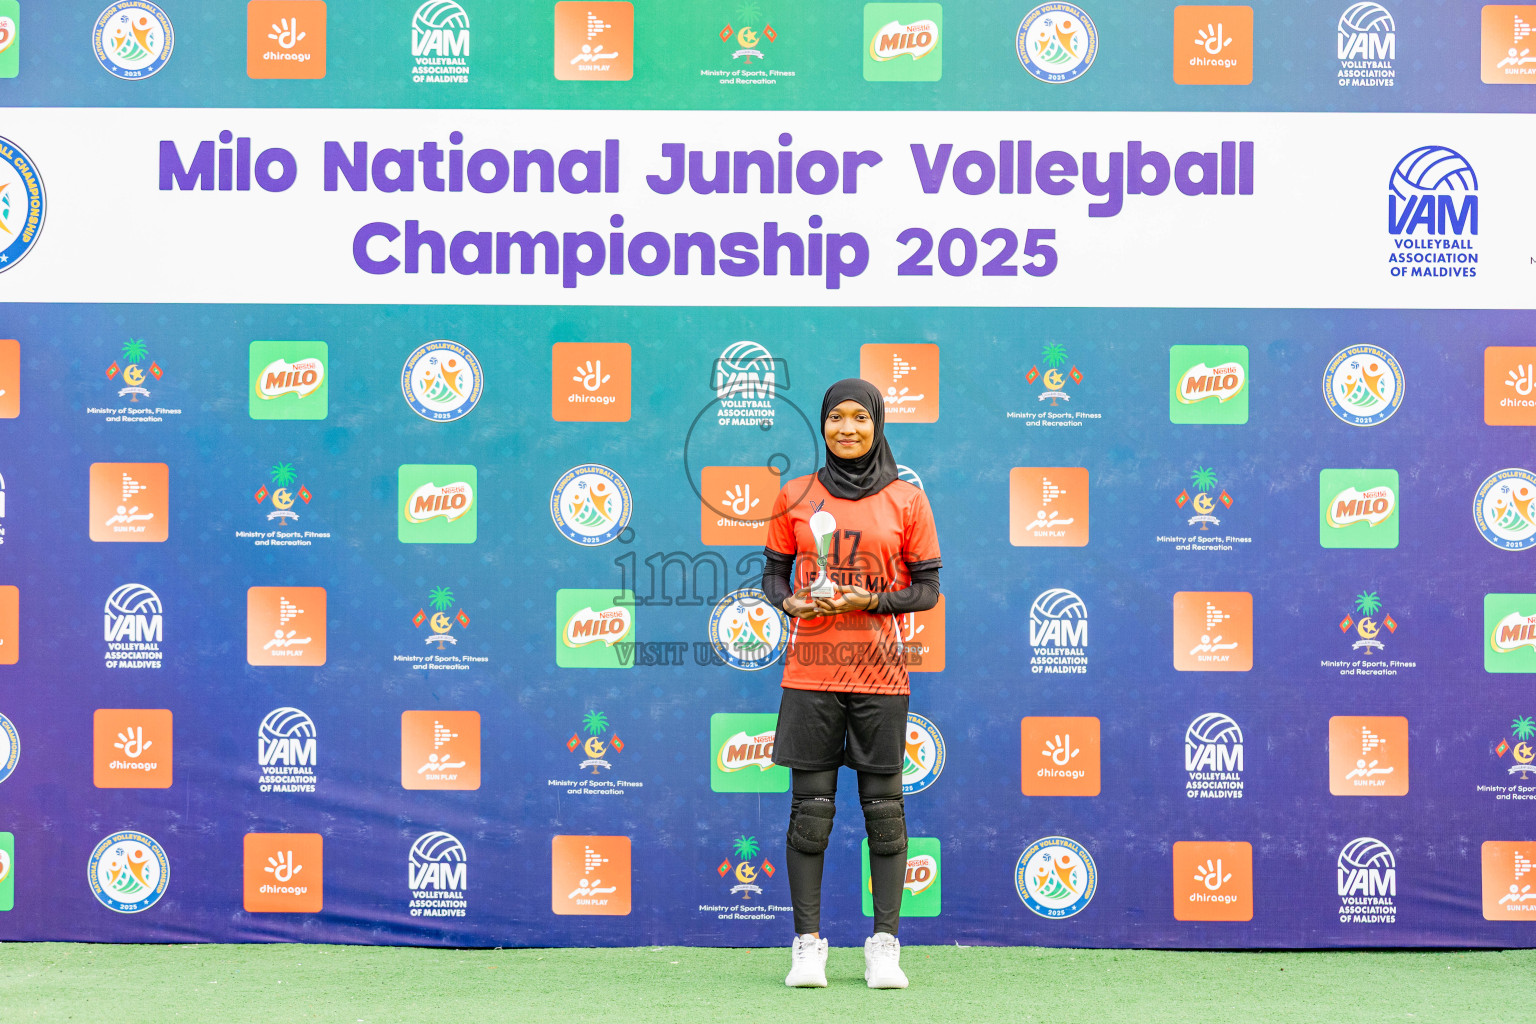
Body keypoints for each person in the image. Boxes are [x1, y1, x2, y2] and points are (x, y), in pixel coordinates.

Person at [759, 378, 942, 990]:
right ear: (823, 425)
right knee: (810, 815)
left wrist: (875, 599)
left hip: (881, 676)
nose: (847, 428)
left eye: (859, 418)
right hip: (810, 675)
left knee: (884, 815)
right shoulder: (796, 495)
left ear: (877, 424)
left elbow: (927, 590)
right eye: (835, 417)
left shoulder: (907, 499)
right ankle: (807, 947)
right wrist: (790, 606)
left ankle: (884, 947)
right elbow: (773, 576)